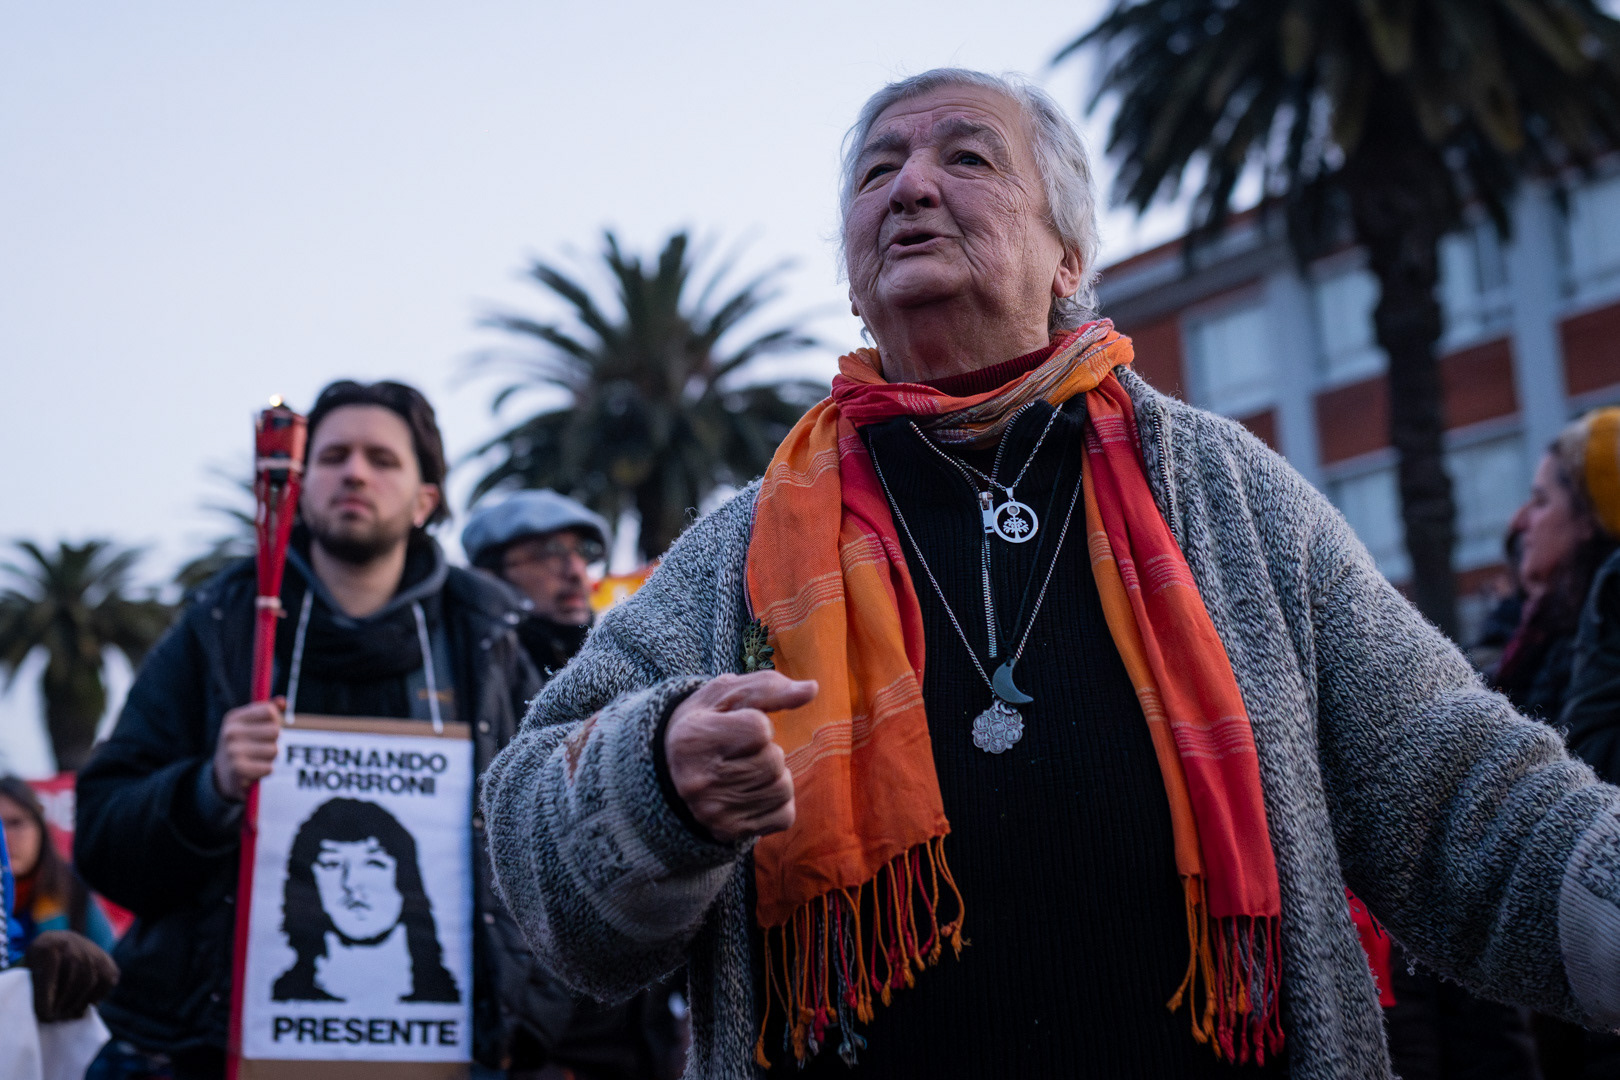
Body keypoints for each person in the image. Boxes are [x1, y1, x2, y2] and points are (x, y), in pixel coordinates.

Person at [481, 69, 1620, 1079]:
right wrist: (657, 779)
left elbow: (1456, 794)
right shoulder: (739, 551)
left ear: (1069, 259)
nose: (909, 187)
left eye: (967, 157)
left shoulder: (1229, 494)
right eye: (877, 171)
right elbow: (539, 847)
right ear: (854, 276)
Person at [74, 379, 549, 1079]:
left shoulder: (489, 640)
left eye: (382, 459)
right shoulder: (221, 626)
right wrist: (206, 790)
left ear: (425, 501)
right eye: (332, 456)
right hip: (209, 1054)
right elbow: (102, 836)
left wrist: (531, 1018)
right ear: (296, 487)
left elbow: (556, 843)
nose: (354, 473)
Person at [464, 492, 689, 1080]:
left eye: (581, 552)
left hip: (640, 1037)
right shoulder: (476, 680)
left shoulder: (627, 670)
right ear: (490, 575)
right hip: (536, 1042)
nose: (573, 570)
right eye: (547, 553)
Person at [272, 797, 458, 1004]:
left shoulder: (456, 997)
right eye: (332, 865)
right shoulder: (280, 996)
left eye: (373, 863)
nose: (350, 883)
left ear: (406, 877)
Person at [463, 490, 611, 675]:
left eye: (585, 551)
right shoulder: (466, 668)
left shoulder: (613, 660)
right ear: (490, 575)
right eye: (551, 552)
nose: (577, 572)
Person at [0, 776, 114, 952]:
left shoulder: (74, 889)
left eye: (16, 823)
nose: (5, 838)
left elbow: (111, 959)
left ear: (40, 828)